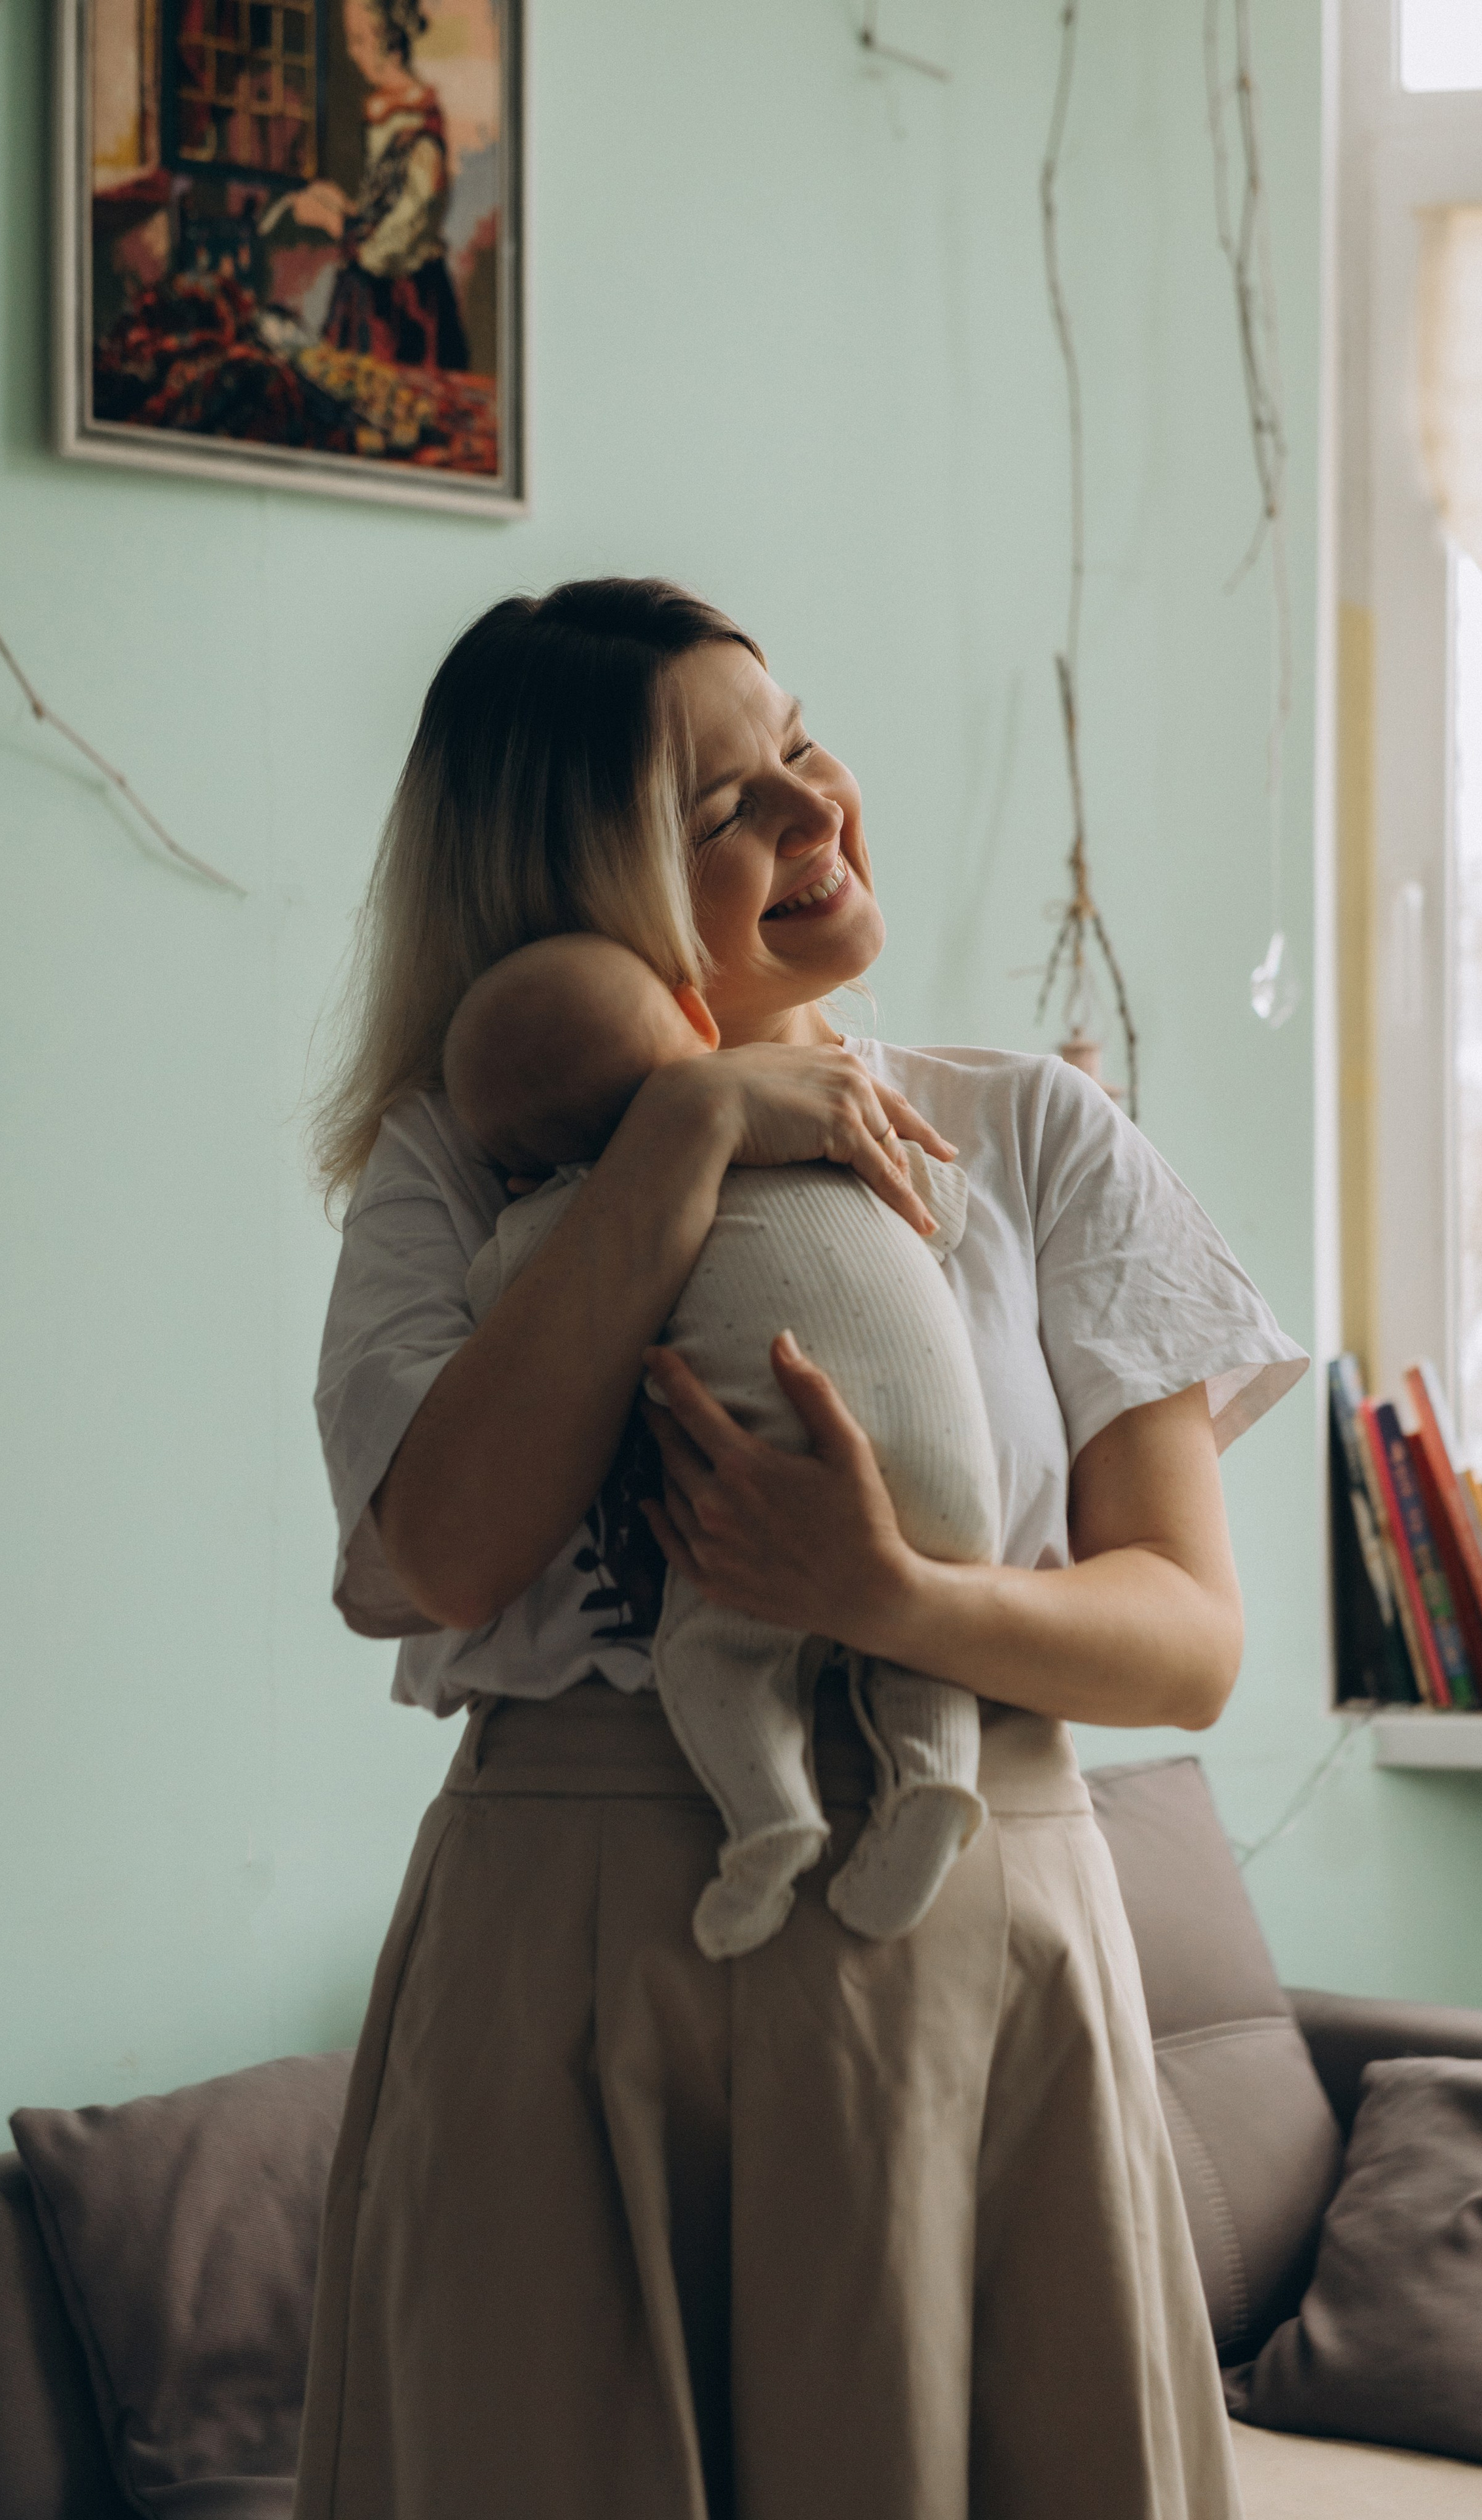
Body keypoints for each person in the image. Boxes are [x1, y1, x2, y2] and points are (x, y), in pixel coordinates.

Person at [295, 576, 1308, 2520]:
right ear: (577, 890)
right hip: (570, 1974)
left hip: (974, 1952)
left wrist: (890, 1599)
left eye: (798, 747)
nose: (811, 808)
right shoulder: (449, 1167)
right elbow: (442, 1551)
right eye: (719, 808)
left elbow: (1183, 1640)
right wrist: (683, 1132)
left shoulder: (1031, 1136)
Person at [445, 931, 1000, 1957]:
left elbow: (503, 1318)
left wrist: (526, 1224)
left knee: (718, 1651)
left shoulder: (577, 1220)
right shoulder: (840, 1124)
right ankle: (934, 1779)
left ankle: (771, 1821)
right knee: (928, 1649)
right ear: (699, 1020)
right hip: (963, 1483)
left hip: (772, 1489)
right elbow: (946, 1213)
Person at [280, 0, 469, 373]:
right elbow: (382, 206)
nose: (352, 53)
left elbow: (410, 225)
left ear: (390, 43)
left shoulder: (420, 122)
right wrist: (346, 209)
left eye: (359, 40)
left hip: (404, 301)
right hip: (369, 290)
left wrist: (341, 227)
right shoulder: (381, 109)